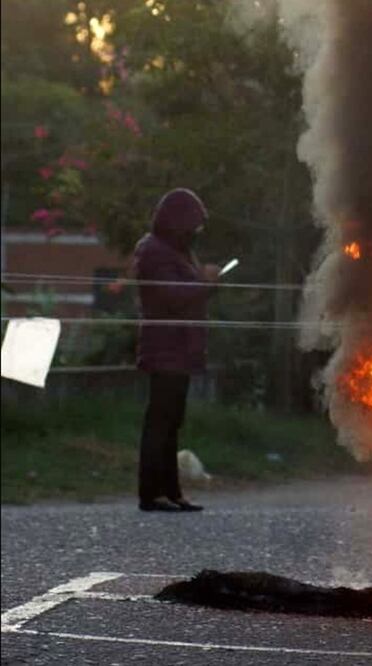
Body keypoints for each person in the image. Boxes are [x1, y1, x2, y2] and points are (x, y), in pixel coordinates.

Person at [133, 188, 219, 512]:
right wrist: (206, 283)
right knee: (160, 422)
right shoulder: (154, 251)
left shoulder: (176, 251)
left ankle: (171, 491)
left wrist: (206, 283)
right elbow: (173, 295)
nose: (195, 233)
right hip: (165, 348)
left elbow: (187, 291)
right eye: (192, 225)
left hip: (180, 349)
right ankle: (151, 493)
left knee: (172, 422)